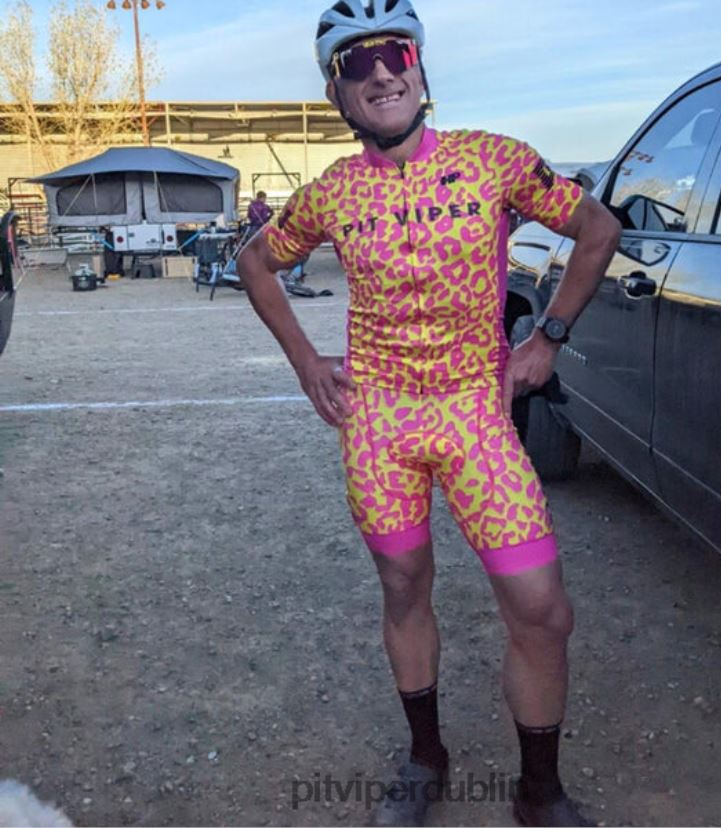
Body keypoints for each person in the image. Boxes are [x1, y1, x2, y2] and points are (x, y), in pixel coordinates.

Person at [237, 2, 621, 825]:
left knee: (542, 610)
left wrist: (548, 336)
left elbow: (597, 227)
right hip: (380, 425)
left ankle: (539, 791)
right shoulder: (332, 191)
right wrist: (306, 362)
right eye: (356, 61)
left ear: (418, 66)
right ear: (336, 92)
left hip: (475, 414)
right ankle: (425, 757)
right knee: (404, 586)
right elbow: (254, 262)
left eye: (395, 52)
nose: (380, 72)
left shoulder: (493, 160)